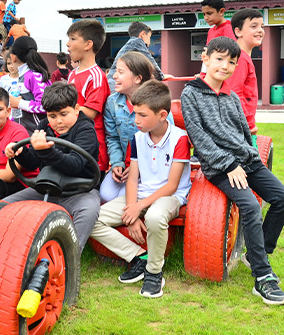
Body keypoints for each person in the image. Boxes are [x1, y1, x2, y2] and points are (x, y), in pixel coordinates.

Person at [181, 37, 284, 305]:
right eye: (219, 59)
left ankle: (259, 253)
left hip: (246, 161)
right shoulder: (191, 94)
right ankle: (263, 277)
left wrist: (251, 156)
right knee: (251, 207)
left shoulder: (231, 96)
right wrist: (229, 164)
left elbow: (244, 132)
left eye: (231, 62)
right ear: (205, 58)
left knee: (283, 199)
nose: (225, 66)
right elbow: (199, 138)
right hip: (219, 165)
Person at [91, 80, 191, 298]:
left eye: (142, 115)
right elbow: (133, 178)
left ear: (163, 115)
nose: (136, 120)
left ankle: (155, 273)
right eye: (135, 114)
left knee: (155, 217)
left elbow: (172, 185)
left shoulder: (179, 139)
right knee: (93, 219)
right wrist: (131, 211)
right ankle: (139, 257)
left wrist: (139, 208)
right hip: (142, 195)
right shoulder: (137, 137)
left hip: (170, 196)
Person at [3, 82, 101, 251]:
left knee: (89, 211)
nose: (58, 121)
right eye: (52, 116)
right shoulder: (43, 127)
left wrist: (47, 151)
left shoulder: (86, 130)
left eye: (64, 114)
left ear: (76, 109)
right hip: (47, 186)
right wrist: (20, 152)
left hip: (80, 189)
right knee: (4, 206)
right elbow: (33, 161)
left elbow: (75, 165)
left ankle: (69, 256)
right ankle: (14, 249)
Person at [101, 52, 159, 203]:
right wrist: (116, 163)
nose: (114, 76)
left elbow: (164, 142)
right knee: (106, 195)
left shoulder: (156, 102)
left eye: (120, 72)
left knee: (127, 196)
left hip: (149, 167)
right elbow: (112, 137)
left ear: (138, 78)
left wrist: (138, 169)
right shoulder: (112, 102)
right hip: (124, 165)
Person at [66, 19, 111, 172]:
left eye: (72, 39)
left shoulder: (96, 76)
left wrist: (61, 112)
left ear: (88, 44)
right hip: (71, 140)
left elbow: (91, 113)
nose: (67, 44)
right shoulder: (72, 74)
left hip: (92, 147)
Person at [226, 9, 262, 136]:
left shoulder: (243, 57)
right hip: (239, 126)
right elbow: (233, 93)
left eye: (261, 26)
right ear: (238, 31)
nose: (260, 30)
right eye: (254, 26)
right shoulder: (240, 58)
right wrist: (249, 123)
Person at [8, 36, 51, 135]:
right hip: (24, 133)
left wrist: (19, 103)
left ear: (13, 57)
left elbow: (46, 106)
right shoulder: (23, 75)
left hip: (38, 135)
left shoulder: (34, 76)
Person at [106, 21, 165, 92]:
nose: (149, 41)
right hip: (116, 84)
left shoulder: (131, 43)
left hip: (114, 82)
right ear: (143, 34)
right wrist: (161, 76)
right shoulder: (137, 42)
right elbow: (150, 61)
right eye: (149, 37)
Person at [0, 50, 22, 121]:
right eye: (9, 63)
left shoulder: (24, 78)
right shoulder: (3, 79)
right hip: (6, 112)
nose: (11, 66)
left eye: (14, 63)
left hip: (20, 113)